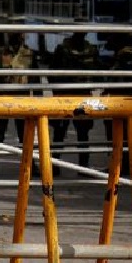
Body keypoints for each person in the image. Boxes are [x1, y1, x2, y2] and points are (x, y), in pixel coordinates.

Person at [0, 32, 35, 175]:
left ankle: (31, 165)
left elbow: (35, 75)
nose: (18, 38)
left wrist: (37, 97)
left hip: (22, 98)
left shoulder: (28, 53)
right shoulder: (0, 53)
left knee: (25, 134)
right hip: (4, 97)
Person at [50, 32, 100, 172]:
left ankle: (82, 166)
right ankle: (55, 165)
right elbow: (52, 72)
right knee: (60, 132)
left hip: (81, 95)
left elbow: (96, 71)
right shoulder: (62, 49)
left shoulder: (90, 50)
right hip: (65, 94)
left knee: (82, 133)